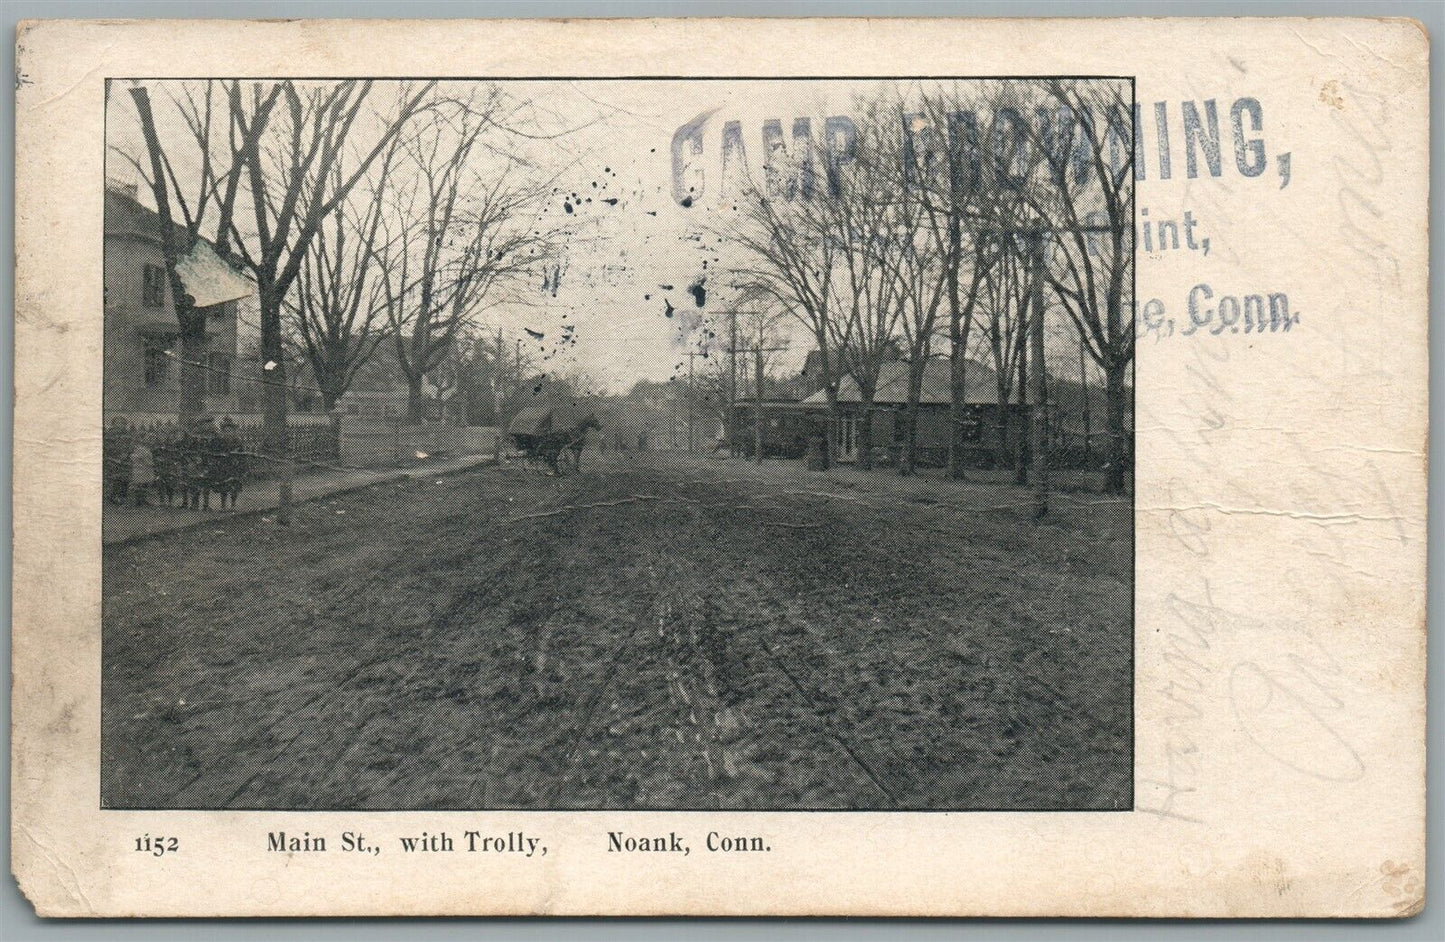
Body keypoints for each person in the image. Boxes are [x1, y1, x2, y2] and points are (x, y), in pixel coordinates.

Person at [104, 417, 133, 505]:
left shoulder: (127, 434)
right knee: (115, 479)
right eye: (118, 423)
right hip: (113, 460)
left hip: (126, 461)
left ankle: (123, 498)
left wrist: (127, 453)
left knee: (125, 479)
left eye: (122, 423)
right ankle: (113, 497)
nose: (120, 425)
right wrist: (117, 456)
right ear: (114, 424)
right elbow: (106, 447)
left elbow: (131, 445)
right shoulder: (109, 434)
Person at [129, 434, 155, 507]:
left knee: (145, 483)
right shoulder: (137, 448)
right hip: (139, 469)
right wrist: (146, 461)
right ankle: (138, 501)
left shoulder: (147, 448)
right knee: (139, 484)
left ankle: (143, 500)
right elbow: (133, 457)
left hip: (146, 469)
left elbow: (148, 457)